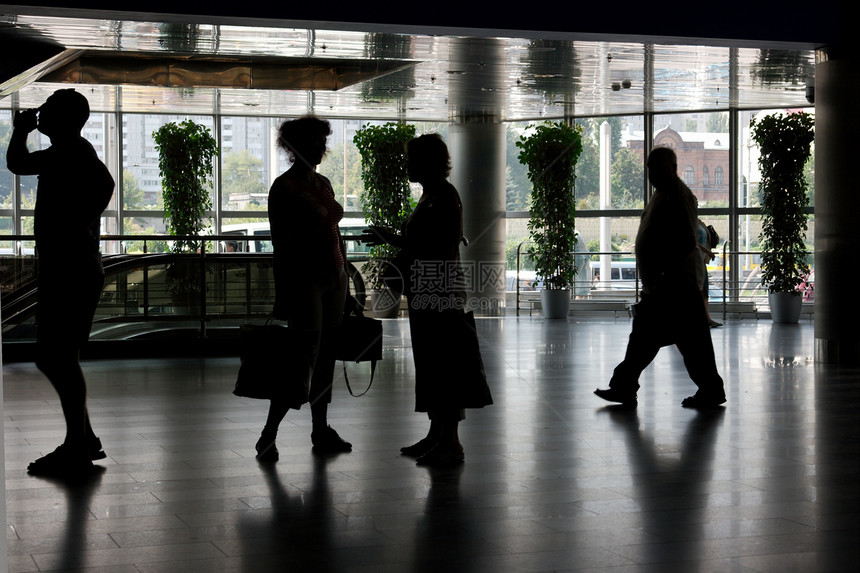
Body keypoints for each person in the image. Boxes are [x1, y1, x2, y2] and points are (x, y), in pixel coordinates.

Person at [363, 133, 492, 466]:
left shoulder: (444, 197)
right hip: (429, 290)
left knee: (442, 364)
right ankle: (438, 434)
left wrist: (389, 237)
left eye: (413, 160)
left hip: (439, 292)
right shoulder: (434, 195)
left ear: (428, 163)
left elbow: (429, 245)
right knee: (433, 363)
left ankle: (449, 440)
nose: (408, 166)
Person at [6, 89, 115, 476]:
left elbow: (17, 163)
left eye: (47, 109)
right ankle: (81, 439)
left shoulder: (69, 153)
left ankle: (78, 442)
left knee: (56, 356)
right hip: (74, 268)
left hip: (71, 270)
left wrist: (20, 130)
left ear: (65, 119)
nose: (40, 113)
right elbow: (105, 186)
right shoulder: (76, 153)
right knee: (60, 356)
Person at [594, 147, 726, 409]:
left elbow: (687, 241)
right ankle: (627, 386)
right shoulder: (664, 194)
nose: (651, 174)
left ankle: (626, 386)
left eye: (656, 168)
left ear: (672, 168)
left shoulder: (678, 196)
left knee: (663, 340)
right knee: (670, 340)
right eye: (649, 169)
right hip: (669, 285)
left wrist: (664, 274)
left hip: (673, 285)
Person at [257, 115, 352, 461]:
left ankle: (319, 428)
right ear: (294, 146)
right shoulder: (284, 189)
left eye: (322, 141)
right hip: (306, 281)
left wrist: (345, 276)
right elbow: (282, 245)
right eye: (314, 141)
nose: (321, 147)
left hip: (333, 277)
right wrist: (286, 292)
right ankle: (270, 432)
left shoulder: (322, 182)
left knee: (324, 358)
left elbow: (333, 232)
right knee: (302, 358)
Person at [696, 219, 721, 328]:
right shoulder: (688, 221)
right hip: (694, 261)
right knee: (698, 291)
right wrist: (707, 252)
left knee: (704, 291)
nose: (696, 204)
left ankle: (707, 318)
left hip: (700, 261)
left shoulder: (697, 221)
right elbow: (692, 241)